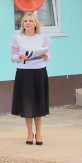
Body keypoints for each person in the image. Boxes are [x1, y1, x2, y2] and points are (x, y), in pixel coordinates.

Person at [10, 12, 51, 145]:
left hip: (39, 72)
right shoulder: (17, 38)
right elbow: (12, 58)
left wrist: (45, 56)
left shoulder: (42, 38)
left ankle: (38, 133)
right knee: (27, 103)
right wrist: (20, 56)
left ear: (35, 24)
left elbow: (48, 55)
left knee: (39, 103)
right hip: (24, 72)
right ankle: (29, 133)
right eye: (25, 21)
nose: (27, 23)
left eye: (30, 21)